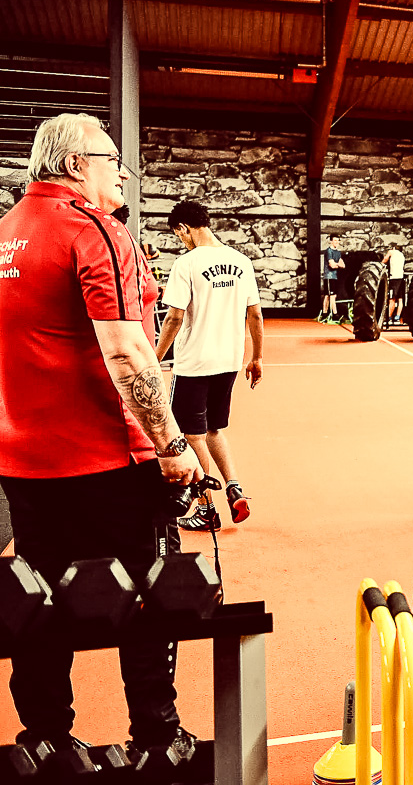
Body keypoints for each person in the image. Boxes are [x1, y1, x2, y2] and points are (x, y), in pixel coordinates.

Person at [0, 112, 202, 760]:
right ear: (73, 163)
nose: (122, 170)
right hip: (107, 459)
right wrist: (171, 445)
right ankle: (157, 734)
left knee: (41, 597)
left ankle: (46, 737)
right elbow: (126, 352)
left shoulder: (5, 234)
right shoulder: (95, 230)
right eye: (112, 158)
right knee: (148, 595)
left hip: (26, 463)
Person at [154, 200, 264, 531]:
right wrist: (257, 357)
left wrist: (152, 359)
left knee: (190, 436)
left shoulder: (185, 264)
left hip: (194, 364)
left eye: (179, 235)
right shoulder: (241, 261)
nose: (181, 241)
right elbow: (256, 314)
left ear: (183, 228)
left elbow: (173, 318)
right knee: (213, 430)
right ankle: (234, 487)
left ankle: (206, 508)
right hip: (229, 361)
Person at [320, 236, 345, 323]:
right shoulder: (328, 251)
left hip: (335, 277)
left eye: (337, 240)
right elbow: (332, 265)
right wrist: (337, 264)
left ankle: (325, 313)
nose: (336, 242)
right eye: (335, 240)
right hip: (328, 276)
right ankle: (334, 314)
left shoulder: (338, 252)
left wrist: (337, 264)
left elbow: (343, 265)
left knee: (330, 295)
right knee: (330, 296)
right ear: (331, 241)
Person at [382, 247, 406, 327]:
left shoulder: (392, 252)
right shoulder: (401, 255)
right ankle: (397, 317)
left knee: (391, 299)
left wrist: (380, 266)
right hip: (401, 277)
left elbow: (384, 260)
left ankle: (388, 317)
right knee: (400, 299)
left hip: (394, 278)